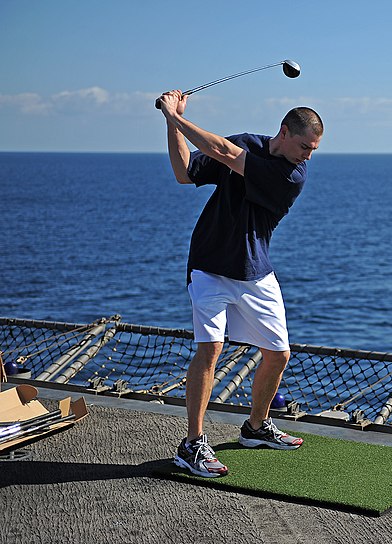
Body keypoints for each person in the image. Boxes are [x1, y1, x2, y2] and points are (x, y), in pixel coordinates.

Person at [158, 89, 323, 477]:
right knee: (210, 349)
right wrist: (172, 123)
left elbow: (227, 156)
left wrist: (177, 116)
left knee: (278, 354)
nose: (308, 155)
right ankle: (193, 443)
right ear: (283, 132)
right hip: (209, 266)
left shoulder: (291, 175)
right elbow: (185, 173)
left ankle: (255, 427)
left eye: (314, 149)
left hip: (255, 272)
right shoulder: (247, 143)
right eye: (304, 146)